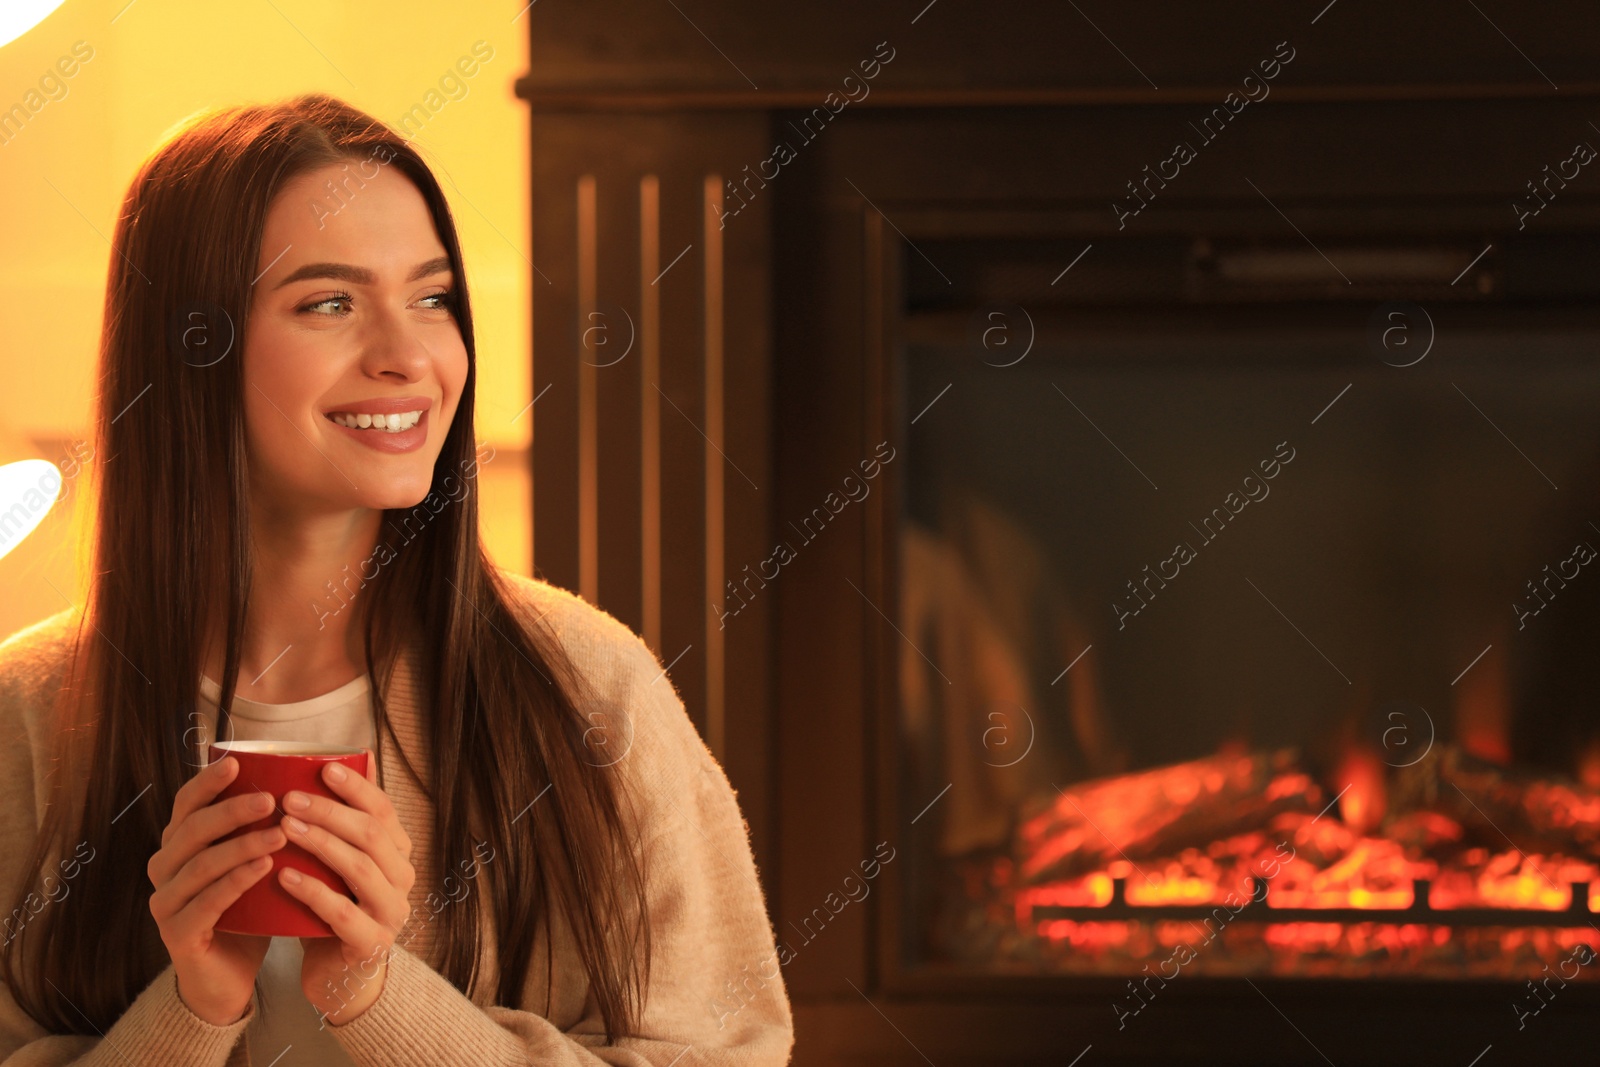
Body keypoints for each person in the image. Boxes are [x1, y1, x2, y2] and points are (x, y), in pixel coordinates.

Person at [0, 93, 794, 1066]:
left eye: (432, 297)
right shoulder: (24, 715)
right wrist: (190, 1009)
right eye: (329, 302)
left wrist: (379, 995)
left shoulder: (591, 690)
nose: (410, 355)